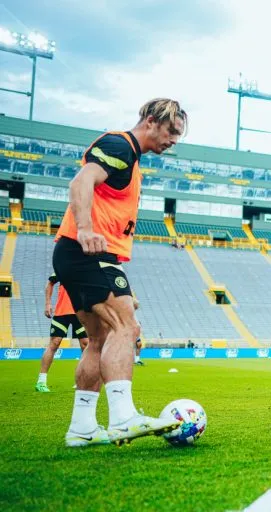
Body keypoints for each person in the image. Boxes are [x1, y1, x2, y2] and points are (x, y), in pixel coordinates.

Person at [53, 98, 187, 447]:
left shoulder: (131, 159)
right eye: (171, 131)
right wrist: (84, 228)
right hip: (86, 250)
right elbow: (80, 183)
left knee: (98, 339)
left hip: (80, 254)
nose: (172, 141)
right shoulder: (120, 146)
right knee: (127, 327)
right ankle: (123, 416)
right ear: (151, 120)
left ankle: (81, 428)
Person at [35, 273, 89, 392]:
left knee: (86, 344)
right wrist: (48, 303)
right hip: (62, 312)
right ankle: (41, 381)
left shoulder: (88, 265)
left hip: (81, 312)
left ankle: (81, 382)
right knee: (55, 343)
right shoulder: (64, 263)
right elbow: (50, 283)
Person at [133, 297, 144, 366]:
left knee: (138, 345)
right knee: (137, 345)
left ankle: (137, 360)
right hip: (132, 333)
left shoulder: (133, 313)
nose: (138, 305)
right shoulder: (129, 312)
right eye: (137, 304)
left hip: (136, 333)